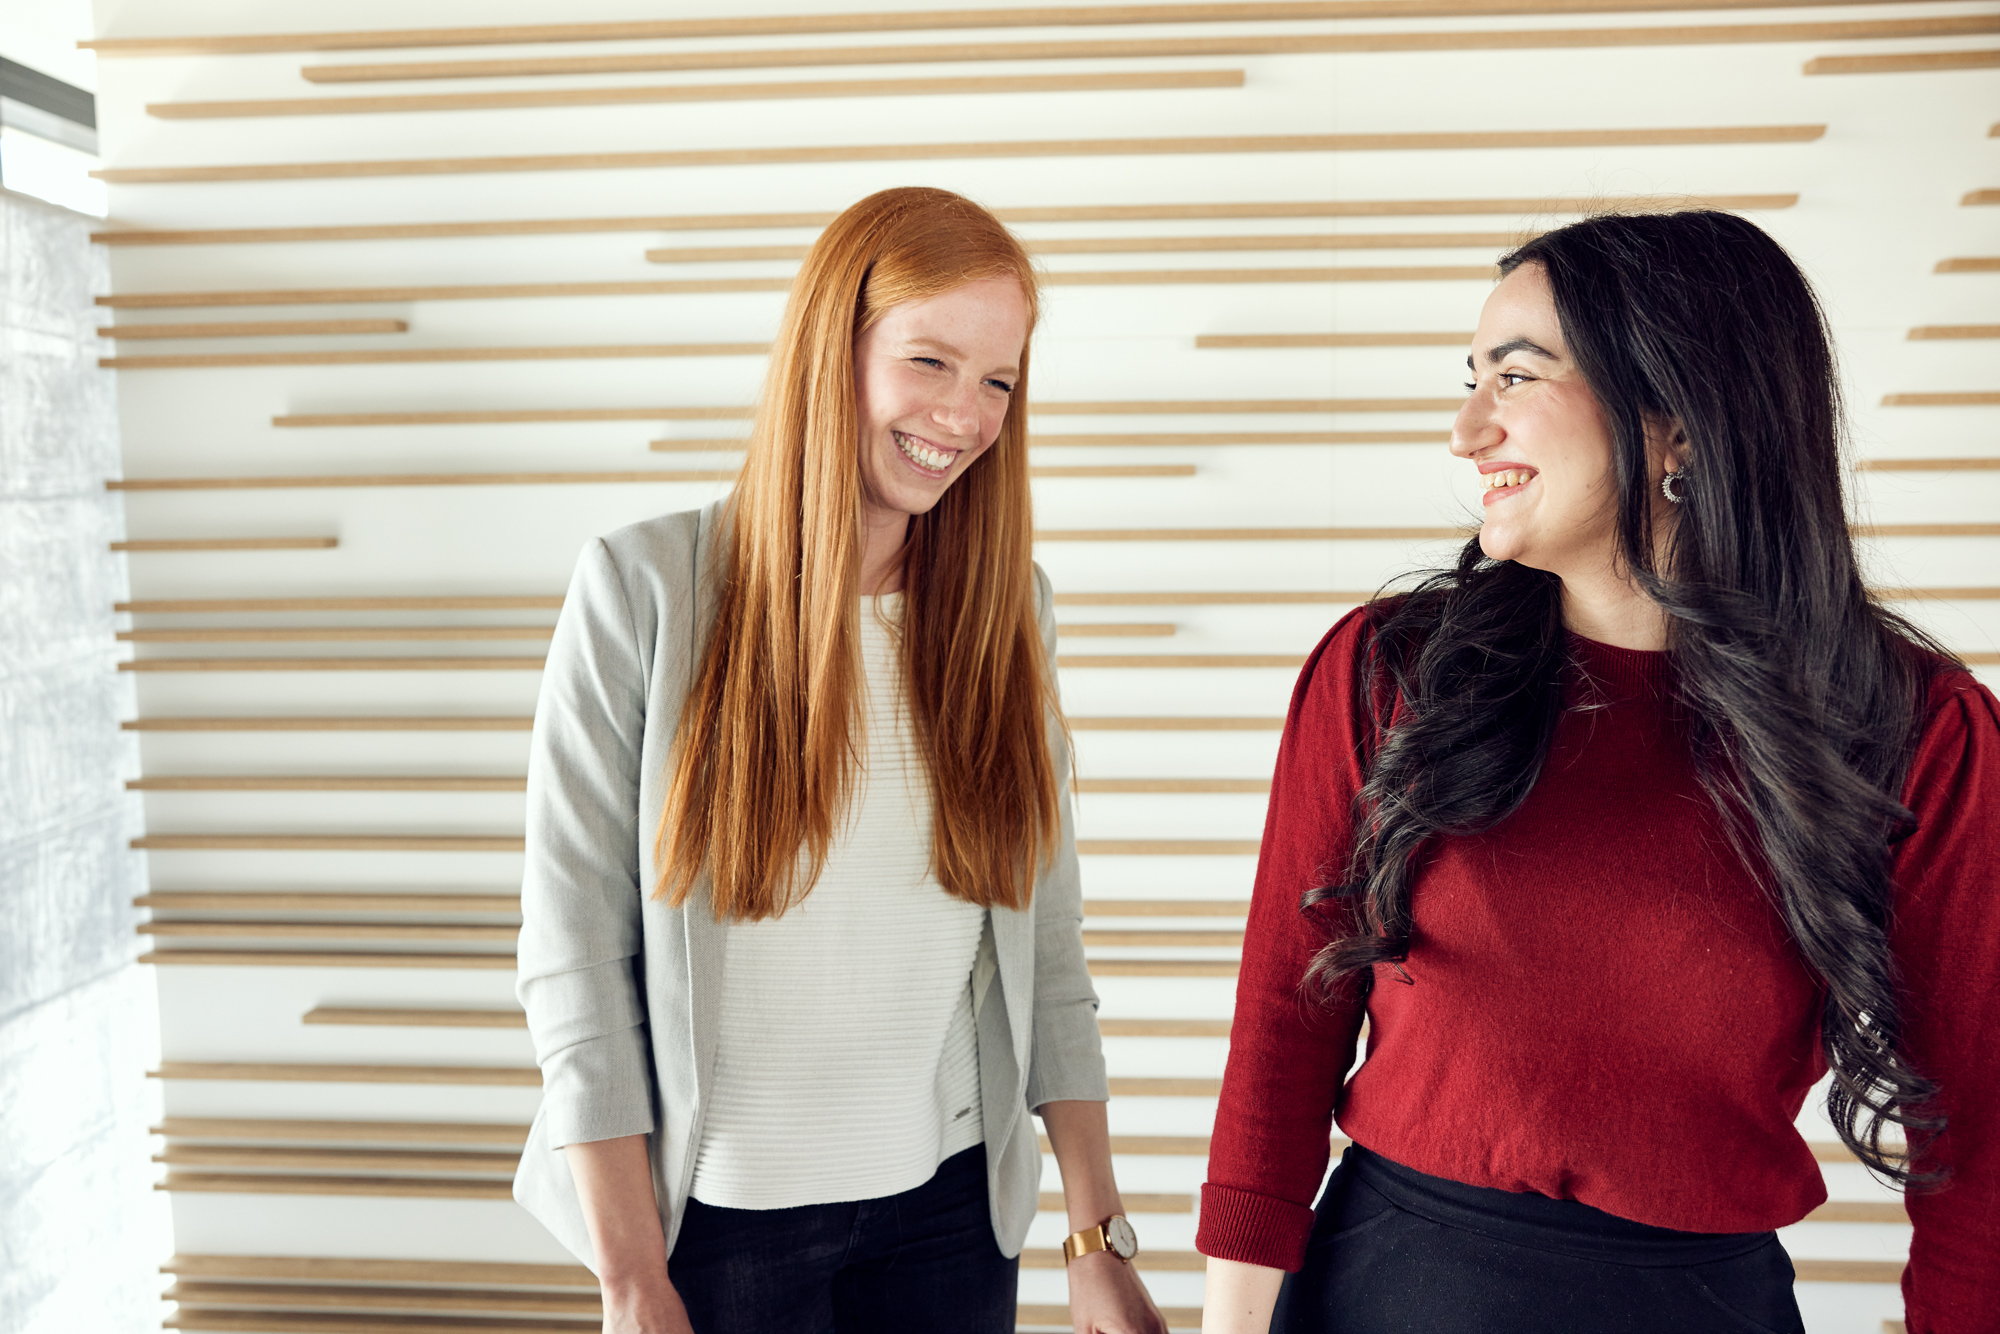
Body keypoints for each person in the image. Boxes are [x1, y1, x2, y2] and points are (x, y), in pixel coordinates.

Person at [1197, 211, 1999, 1334]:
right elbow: (1282, 1032)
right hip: (1381, 1289)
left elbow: (1980, 1143)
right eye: (1469, 377)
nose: (1465, 429)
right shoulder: (1383, 670)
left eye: (1512, 377)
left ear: (1674, 422)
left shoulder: (1917, 728)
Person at [511, 186, 1168, 1334]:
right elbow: (576, 960)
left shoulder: (1007, 613)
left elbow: (1044, 941)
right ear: (835, 349)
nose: (964, 414)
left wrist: (1093, 1228)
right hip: (716, 1235)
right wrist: (629, 1279)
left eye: (999, 379)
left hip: (950, 1218)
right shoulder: (644, 589)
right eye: (930, 361)